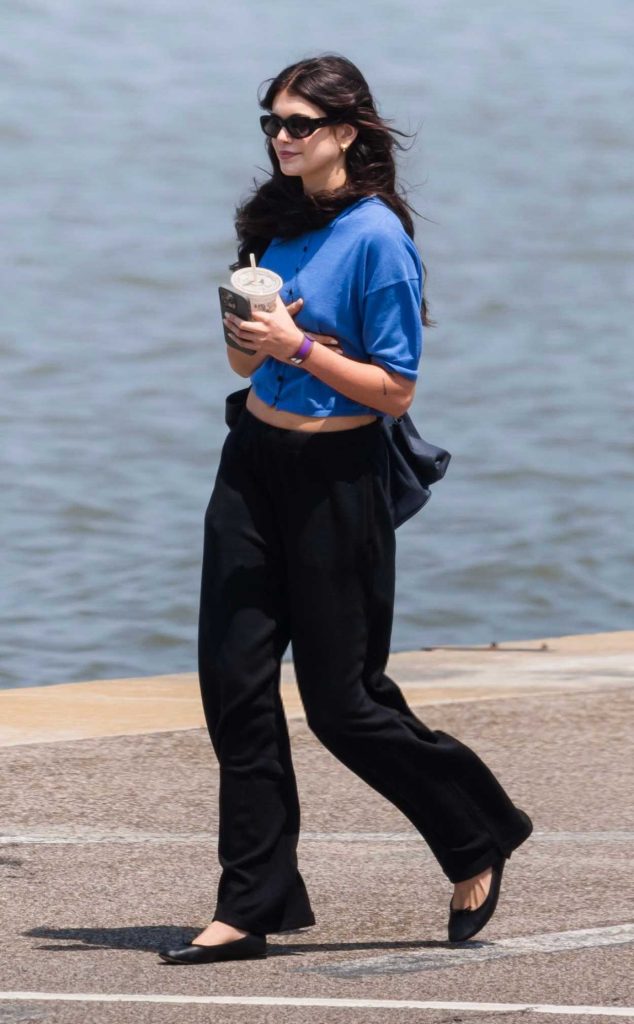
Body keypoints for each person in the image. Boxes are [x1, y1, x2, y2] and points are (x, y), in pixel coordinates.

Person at [158, 54, 533, 966]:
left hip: (340, 479)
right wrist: (255, 337)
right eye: (272, 124)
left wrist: (299, 343)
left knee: (343, 703)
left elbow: (395, 390)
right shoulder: (272, 223)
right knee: (235, 690)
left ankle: (477, 826)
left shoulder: (378, 240)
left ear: (348, 132)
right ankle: (252, 903)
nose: (282, 139)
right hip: (251, 465)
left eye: (299, 124)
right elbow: (245, 368)